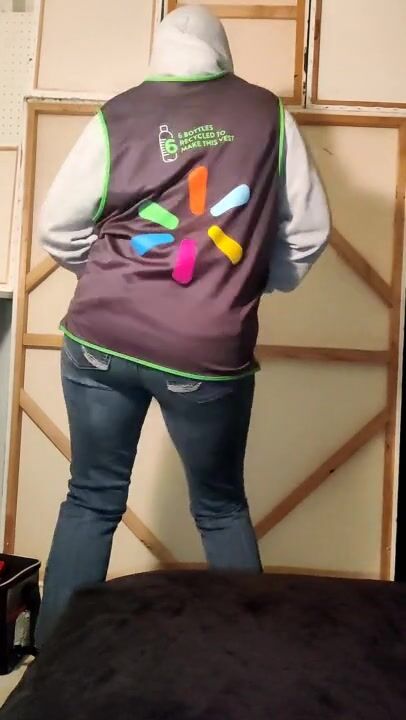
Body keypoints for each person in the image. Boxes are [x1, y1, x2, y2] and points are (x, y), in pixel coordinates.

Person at [36, 4, 330, 646]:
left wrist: (109, 277)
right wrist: (249, 283)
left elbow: (57, 228)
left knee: (90, 498)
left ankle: (50, 667)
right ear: (223, 53)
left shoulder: (118, 114)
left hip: (100, 338)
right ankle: (254, 664)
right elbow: (308, 232)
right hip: (207, 349)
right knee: (221, 507)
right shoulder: (269, 116)